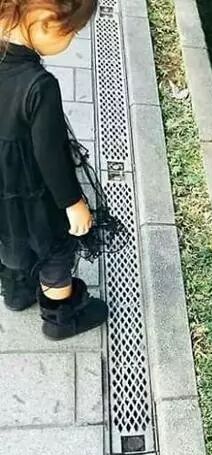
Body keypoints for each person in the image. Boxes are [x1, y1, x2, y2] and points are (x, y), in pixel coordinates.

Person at [0, 0, 117, 340]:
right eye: (72, 31)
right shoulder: (39, 86)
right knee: (52, 249)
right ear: (44, 21)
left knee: (8, 238)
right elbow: (50, 155)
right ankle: (60, 319)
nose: (72, 39)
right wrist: (73, 203)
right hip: (29, 190)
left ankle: (16, 293)